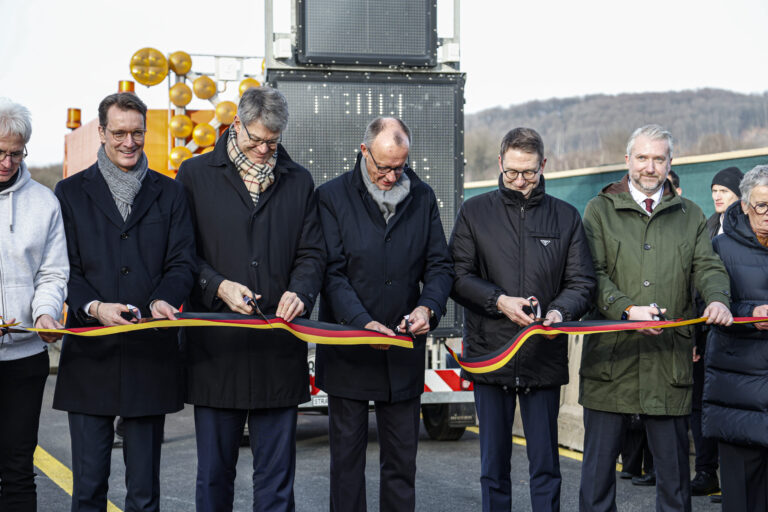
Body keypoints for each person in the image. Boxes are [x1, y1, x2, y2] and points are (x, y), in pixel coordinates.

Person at [176, 86, 325, 512]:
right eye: (255, 140)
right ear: (235, 125)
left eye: (272, 143)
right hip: (216, 355)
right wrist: (218, 286)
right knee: (215, 476)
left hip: (277, 351)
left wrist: (301, 291)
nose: (263, 150)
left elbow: (312, 253)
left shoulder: (299, 180)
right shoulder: (195, 174)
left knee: (277, 482)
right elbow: (182, 255)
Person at [579, 124, 733, 512]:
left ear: (670, 163)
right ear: (627, 160)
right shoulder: (599, 211)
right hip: (610, 364)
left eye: (658, 159)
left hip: (668, 365)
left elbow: (708, 267)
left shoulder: (691, 214)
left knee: (675, 484)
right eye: (643, 158)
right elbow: (590, 275)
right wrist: (627, 310)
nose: (650, 167)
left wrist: (718, 299)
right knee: (596, 481)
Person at [53, 92, 196, 512]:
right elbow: (65, 270)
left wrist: (163, 301)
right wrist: (96, 308)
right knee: (89, 489)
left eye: (137, 133)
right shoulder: (70, 193)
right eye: (119, 133)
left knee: (144, 494)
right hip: (90, 357)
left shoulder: (171, 194)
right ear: (101, 133)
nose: (128, 142)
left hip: (148, 356)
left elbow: (182, 262)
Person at [449, 127, 595, 511]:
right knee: (493, 466)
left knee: (546, 466)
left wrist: (559, 312)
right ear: (499, 163)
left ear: (543, 165)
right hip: (490, 354)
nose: (519, 180)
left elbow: (582, 281)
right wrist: (499, 301)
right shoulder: (474, 212)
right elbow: (457, 277)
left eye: (529, 172)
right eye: (511, 171)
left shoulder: (566, 217)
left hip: (542, 357)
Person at [315, 117, 453, 512]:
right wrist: (362, 323)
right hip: (349, 349)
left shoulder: (423, 197)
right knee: (346, 465)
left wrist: (429, 308)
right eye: (383, 167)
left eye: (400, 167)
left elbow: (439, 266)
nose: (391, 176)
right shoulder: (331, 197)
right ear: (363, 152)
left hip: (402, 351)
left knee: (401, 464)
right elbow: (332, 272)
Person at [0, 98, 68, 511]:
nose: (7, 162)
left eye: (15, 153)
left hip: (25, 358)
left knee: (18, 467)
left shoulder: (44, 203)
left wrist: (45, 312)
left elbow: (53, 273)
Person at [703, 164, 768, 512]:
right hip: (738, 394)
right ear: (744, 205)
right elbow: (706, 306)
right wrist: (750, 313)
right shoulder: (720, 247)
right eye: (762, 206)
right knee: (741, 499)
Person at [689, 166, 743, 500]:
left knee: (732, 406)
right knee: (701, 406)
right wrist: (694, 339)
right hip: (705, 332)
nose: (717, 196)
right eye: (714, 191)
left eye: (724, 190)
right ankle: (706, 472)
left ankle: (734, 479)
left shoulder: (749, 229)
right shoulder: (707, 227)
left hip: (738, 330)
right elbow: (696, 286)